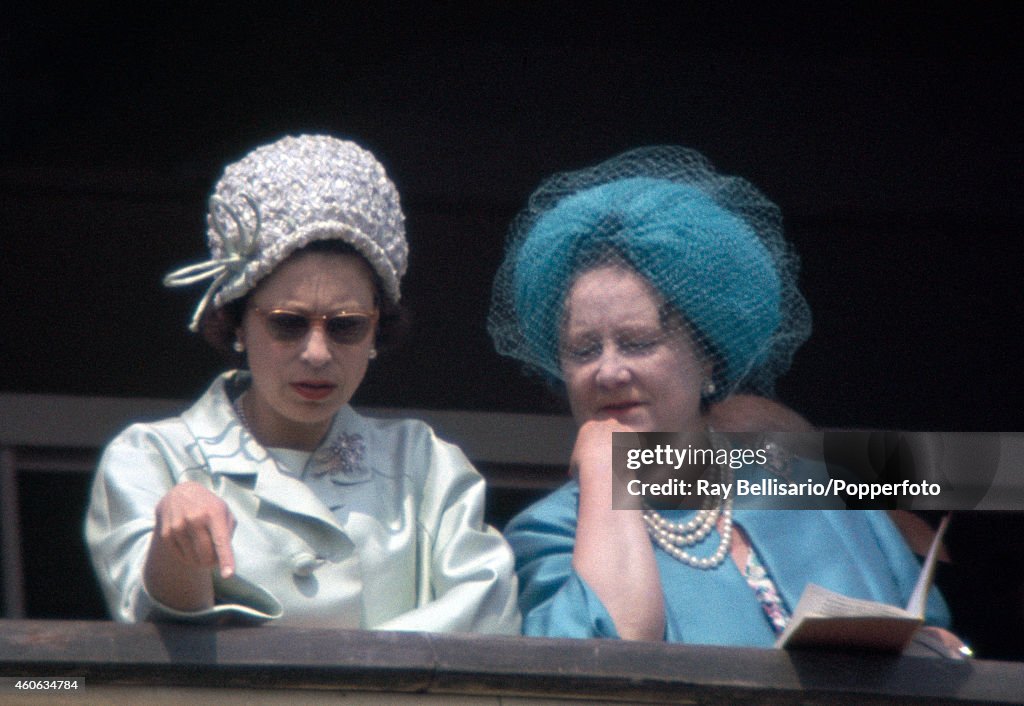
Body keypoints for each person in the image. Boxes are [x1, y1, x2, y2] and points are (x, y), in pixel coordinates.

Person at [488, 146, 952, 647]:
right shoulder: (550, 533)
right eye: (582, 350)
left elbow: (935, 640)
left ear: (709, 357)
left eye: (639, 342)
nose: (609, 371)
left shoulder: (816, 491)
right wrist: (607, 470)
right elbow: (605, 662)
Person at [86, 134, 520, 633]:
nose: (317, 353)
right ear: (236, 324)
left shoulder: (428, 465)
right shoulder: (152, 457)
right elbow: (153, 634)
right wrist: (176, 546)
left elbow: (495, 613)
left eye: (346, 325)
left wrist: (621, 460)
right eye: (288, 323)